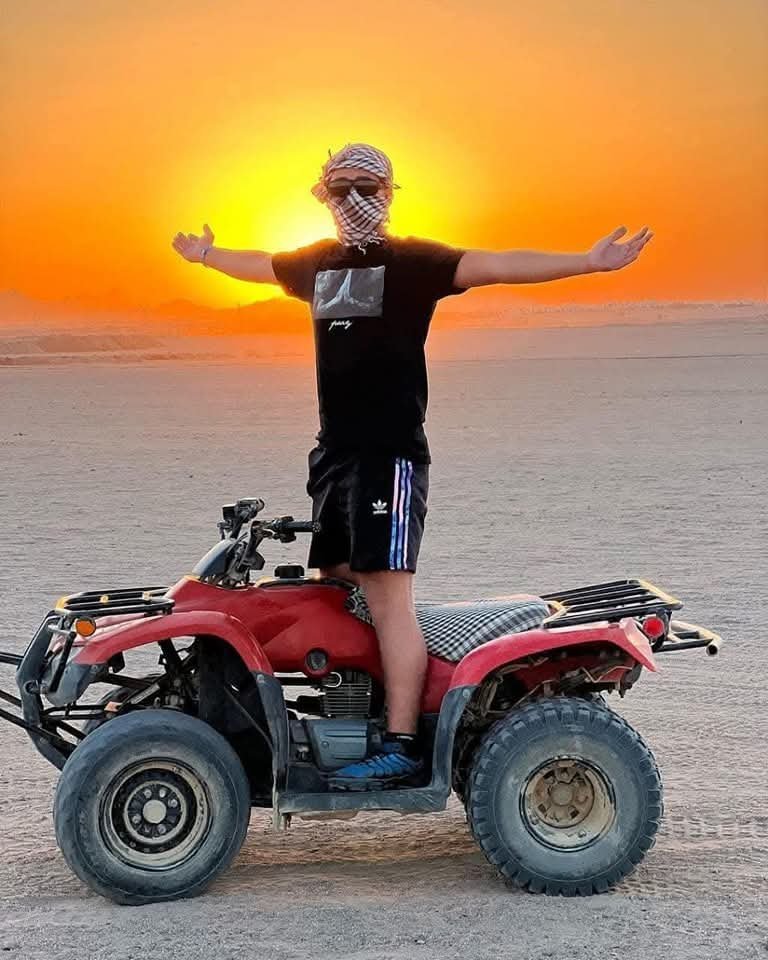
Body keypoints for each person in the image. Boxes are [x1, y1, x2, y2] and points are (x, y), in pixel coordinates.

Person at [171, 142, 653, 789]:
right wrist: (206, 257)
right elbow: (260, 265)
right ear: (322, 195)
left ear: (390, 192)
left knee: (386, 594)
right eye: (340, 188)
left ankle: (400, 741)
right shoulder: (316, 264)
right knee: (336, 587)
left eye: (367, 187)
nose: (354, 199)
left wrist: (588, 262)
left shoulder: (413, 263)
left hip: (389, 455)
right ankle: (354, 721)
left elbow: (497, 264)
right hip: (333, 456)